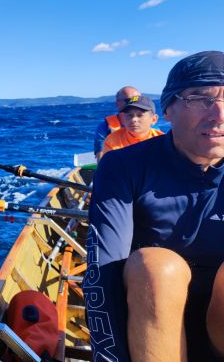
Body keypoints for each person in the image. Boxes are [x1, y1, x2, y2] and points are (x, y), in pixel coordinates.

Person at [83, 50, 224, 362]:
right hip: (149, 329)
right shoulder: (122, 165)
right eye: (200, 97)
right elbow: (102, 274)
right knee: (157, 267)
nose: (218, 114)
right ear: (169, 109)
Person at [94, 86, 142, 160]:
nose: (135, 104)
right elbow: (101, 158)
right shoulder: (105, 127)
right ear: (117, 104)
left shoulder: (150, 125)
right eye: (130, 100)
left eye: (138, 100)